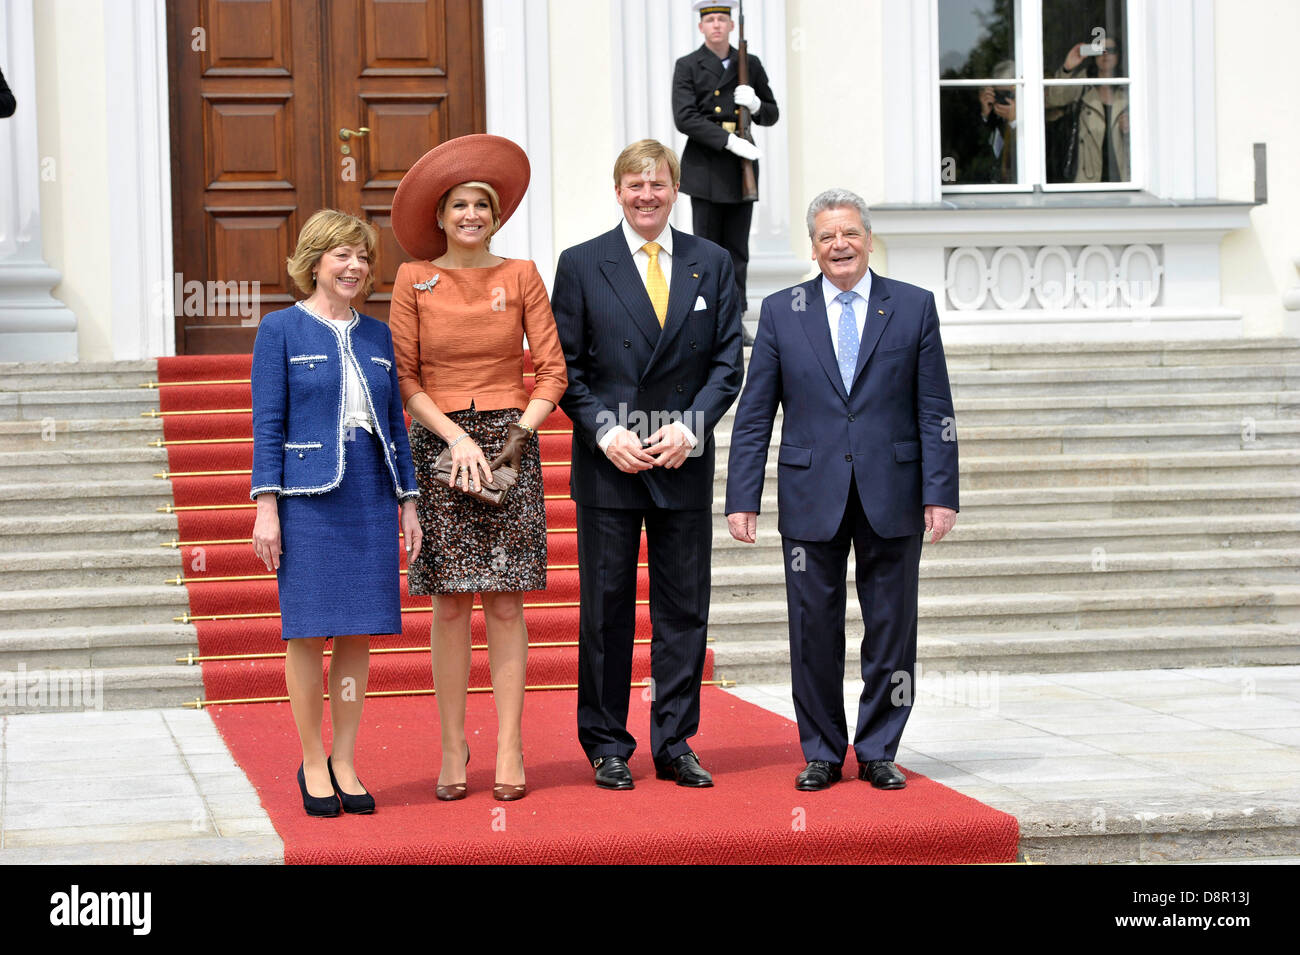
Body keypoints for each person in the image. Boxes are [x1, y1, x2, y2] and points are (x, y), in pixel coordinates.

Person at [724, 189, 959, 792]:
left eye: (849, 233)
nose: (840, 245)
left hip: (894, 493)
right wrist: (742, 497)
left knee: (891, 628)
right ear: (812, 247)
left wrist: (941, 491)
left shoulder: (911, 307)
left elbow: (935, 408)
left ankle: (880, 748)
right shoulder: (782, 311)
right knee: (813, 630)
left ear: (869, 238)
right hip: (810, 495)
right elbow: (755, 414)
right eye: (827, 237)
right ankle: (823, 752)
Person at [551, 139, 744, 790]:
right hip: (611, 463)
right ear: (617, 191)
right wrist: (605, 432)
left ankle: (675, 739)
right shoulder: (581, 265)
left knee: (683, 610)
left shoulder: (710, 262)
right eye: (634, 185)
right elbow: (565, 370)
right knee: (605, 609)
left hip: (681, 460)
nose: (646, 195)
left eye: (658, 185)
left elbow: (727, 363)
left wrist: (692, 429)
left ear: (675, 190)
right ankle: (606, 742)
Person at [388, 134, 567, 803]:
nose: (470, 214)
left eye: (481, 205)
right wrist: (453, 437)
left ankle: (512, 742)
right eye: (459, 204)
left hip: (509, 443)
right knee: (450, 603)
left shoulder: (520, 273)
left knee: (506, 598)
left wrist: (520, 432)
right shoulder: (414, 277)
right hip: (441, 442)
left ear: (496, 216)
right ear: (440, 215)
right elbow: (405, 376)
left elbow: (552, 369)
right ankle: (452, 741)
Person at [250, 209, 422, 817]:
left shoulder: (377, 336)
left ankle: (345, 758)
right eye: (342, 255)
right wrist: (265, 505)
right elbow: (267, 424)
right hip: (306, 500)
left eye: (363, 256)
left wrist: (409, 502)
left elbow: (396, 429)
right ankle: (311, 758)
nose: (355, 266)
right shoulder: (280, 331)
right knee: (305, 632)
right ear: (314, 262)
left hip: (371, 494)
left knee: (356, 634)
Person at [672, 0, 780, 324]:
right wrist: (728, 140)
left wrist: (757, 104)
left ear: (732, 26)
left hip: (740, 171)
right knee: (705, 250)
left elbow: (772, 114)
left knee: (737, 251)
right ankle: (705, 320)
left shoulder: (751, 64)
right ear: (701, 27)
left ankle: (735, 319)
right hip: (706, 167)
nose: (717, 25)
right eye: (711, 20)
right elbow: (684, 117)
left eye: (722, 19)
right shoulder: (688, 65)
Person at [1046, 38, 1130, 183]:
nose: (1105, 55)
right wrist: (1067, 68)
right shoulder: (1083, 82)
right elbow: (1054, 99)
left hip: (1122, 178)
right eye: (1099, 51)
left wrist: (1132, 128)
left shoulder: (1129, 86)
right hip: (1087, 178)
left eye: (1110, 51)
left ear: (1119, 55)